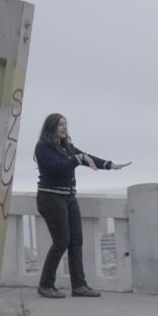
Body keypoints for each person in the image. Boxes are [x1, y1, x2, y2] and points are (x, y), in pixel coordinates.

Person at [34, 113, 130, 298]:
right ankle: (45, 285)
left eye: (65, 124)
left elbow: (86, 157)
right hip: (50, 198)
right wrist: (78, 159)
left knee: (76, 241)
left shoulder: (66, 147)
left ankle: (79, 286)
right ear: (51, 127)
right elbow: (57, 167)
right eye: (60, 124)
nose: (64, 127)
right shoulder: (43, 148)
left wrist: (109, 165)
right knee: (61, 241)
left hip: (69, 198)